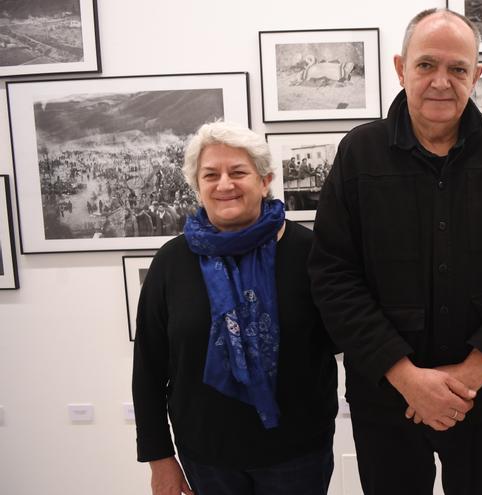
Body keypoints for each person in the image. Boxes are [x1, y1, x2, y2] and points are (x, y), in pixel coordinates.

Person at [308, 8, 482, 495]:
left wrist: (473, 371)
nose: (441, 82)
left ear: (478, 76)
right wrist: (406, 377)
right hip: (387, 399)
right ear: (400, 67)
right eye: (426, 65)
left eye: (457, 69)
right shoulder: (358, 154)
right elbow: (333, 275)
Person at [132, 122, 338, 495]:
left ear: (264, 181)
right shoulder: (171, 262)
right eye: (210, 175)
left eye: (238, 172)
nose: (224, 184)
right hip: (206, 459)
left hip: (297, 456)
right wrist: (159, 458)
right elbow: (148, 367)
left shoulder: (310, 253)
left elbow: (344, 338)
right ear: (197, 186)